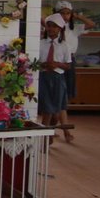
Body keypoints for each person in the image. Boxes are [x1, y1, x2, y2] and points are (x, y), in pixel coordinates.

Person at [39, 13, 73, 142]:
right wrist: (44, 64)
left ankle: (49, 133)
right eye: (49, 26)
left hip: (57, 78)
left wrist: (57, 64)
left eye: (55, 27)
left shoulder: (64, 45)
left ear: (60, 29)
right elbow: (34, 62)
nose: (51, 29)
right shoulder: (41, 43)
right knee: (47, 108)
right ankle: (46, 136)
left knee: (57, 107)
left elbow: (68, 65)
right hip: (44, 77)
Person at [53, 0, 96, 103]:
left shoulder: (74, 28)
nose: (65, 16)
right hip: (56, 58)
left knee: (68, 85)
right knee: (56, 85)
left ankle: (63, 105)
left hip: (69, 59)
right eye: (62, 13)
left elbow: (91, 24)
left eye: (68, 13)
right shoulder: (53, 27)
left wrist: (78, 17)